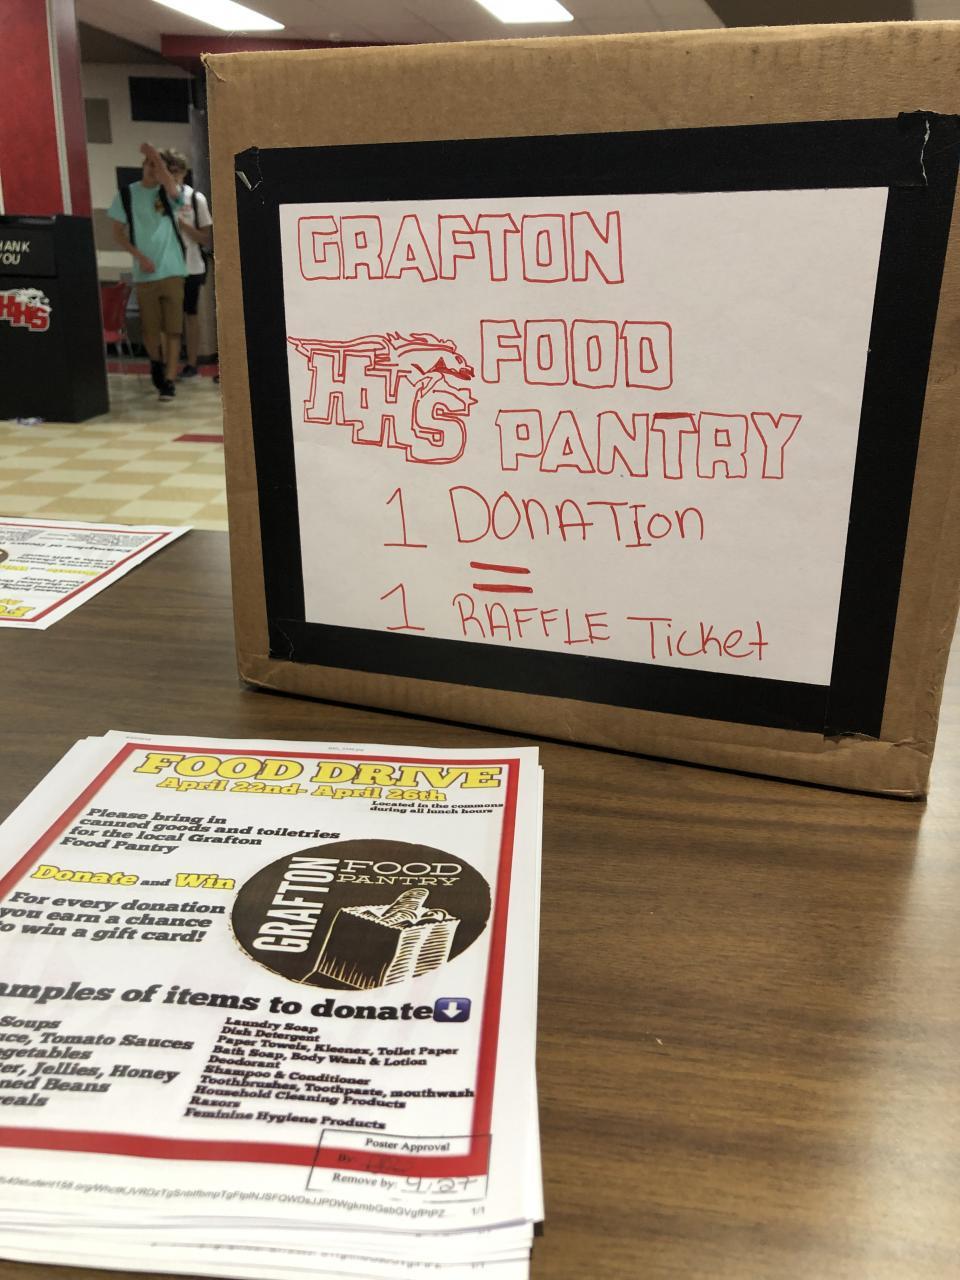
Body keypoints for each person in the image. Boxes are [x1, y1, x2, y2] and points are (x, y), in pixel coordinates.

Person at [108, 143, 187, 402]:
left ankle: (170, 379)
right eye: (150, 164)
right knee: (151, 329)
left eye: (158, 165)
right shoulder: (127, 195)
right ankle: (156, 363)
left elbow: (171, 185)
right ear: (142, 166)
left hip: (173, 269)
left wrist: (156, 157)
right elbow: (117, 233)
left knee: (173, 328)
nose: (154, 169)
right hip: (145, 274)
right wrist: (139, 257)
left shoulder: (169, 193)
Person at [163, 155, 212, 379]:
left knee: (190, 314)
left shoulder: (195, 199)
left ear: (183, 172)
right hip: (165, 268)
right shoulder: (158, 198)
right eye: (168, 170)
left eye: (176, 170)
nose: (173, 175)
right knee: (168, 317)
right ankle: (168, 366)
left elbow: (205, 237)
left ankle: (192, 363)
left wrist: (183, 226)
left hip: (191, 266)